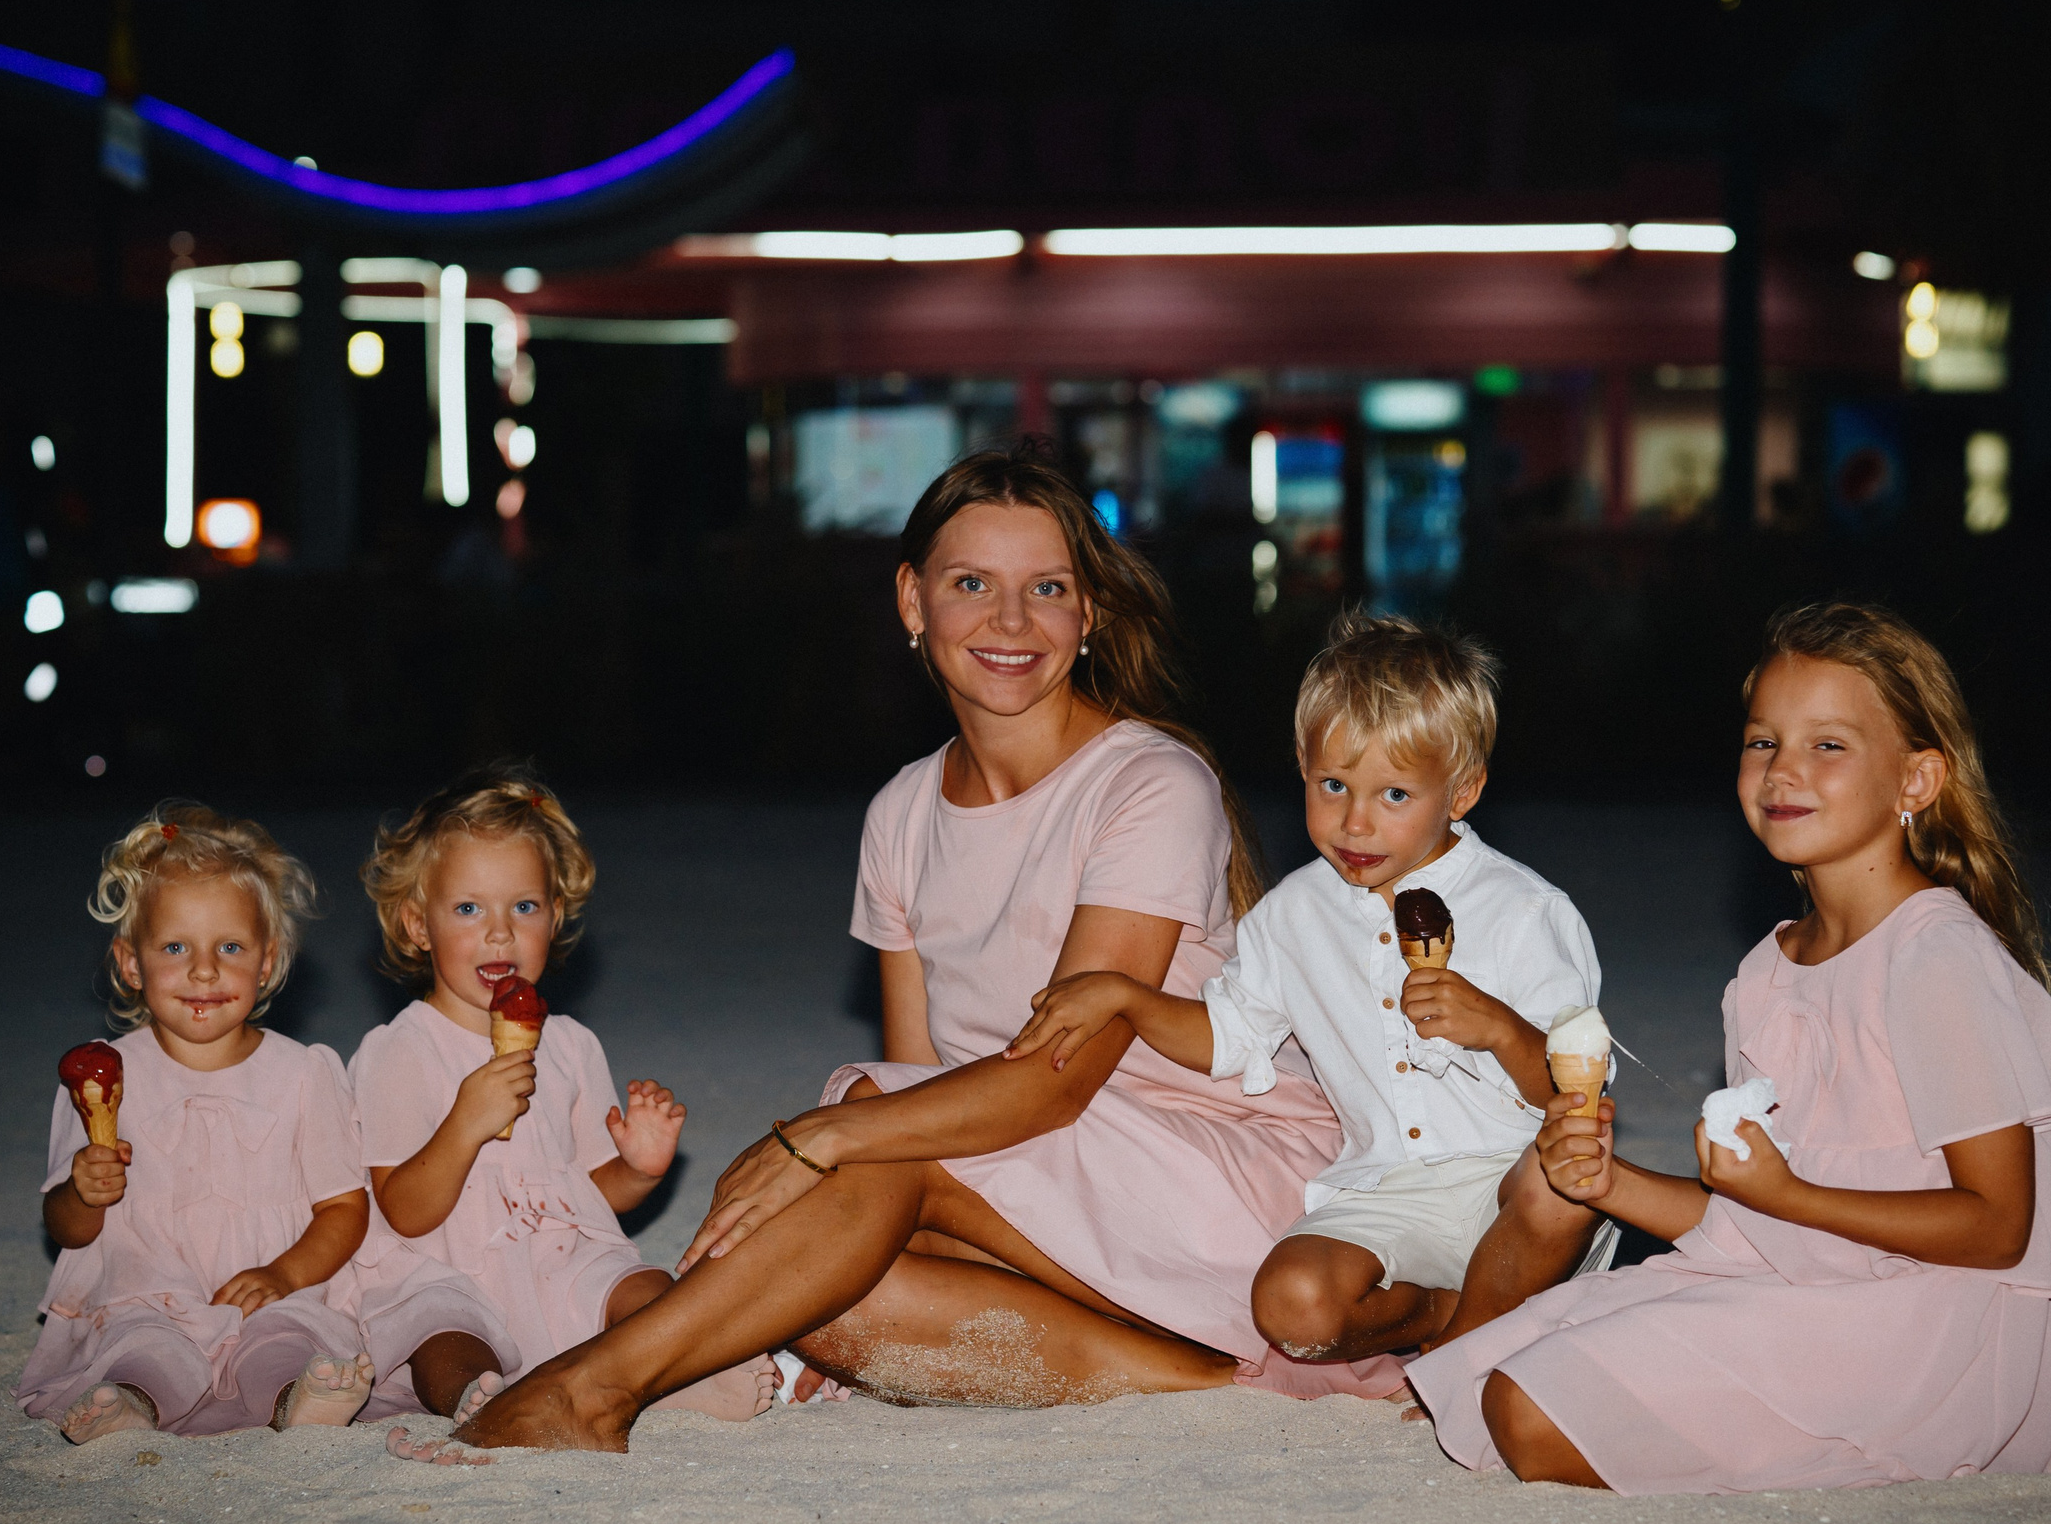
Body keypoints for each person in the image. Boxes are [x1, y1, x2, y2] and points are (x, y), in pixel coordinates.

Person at [412, 443, 1405, 1459]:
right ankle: (1215, 1375)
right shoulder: (899, 812)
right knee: (814, 1291)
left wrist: (822, 1139)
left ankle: (588, 1394)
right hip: (1040, 1186)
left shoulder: (1151, 785)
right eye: (971, 583)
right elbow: (925, 1075)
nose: (1010, 622)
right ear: (912, 601)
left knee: (849, 1146)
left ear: (1087, 614)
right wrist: (840, 1165)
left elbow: (1047, 1088)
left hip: (1225, 1185)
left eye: (1047, 589)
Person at [1403, 600, 2051, 1492]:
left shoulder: (1936, 956)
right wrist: (1608, 1183)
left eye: (1829, 745)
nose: (1784, 771)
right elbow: (1749, 1222)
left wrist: (1792, 1192)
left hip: (1933, 1325)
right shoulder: (1767, 972)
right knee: (1500, 1372)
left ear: (1917, 780)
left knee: (1529, 1412)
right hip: (1815, 1285)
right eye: (1762, 741)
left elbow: (2001, 1227)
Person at [1006, 613, 1614, 1365]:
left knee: (1558, 1183)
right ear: (1301, 764)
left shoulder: (1525, 911)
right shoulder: (1293, 914)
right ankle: (1451, 1312)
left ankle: (1471, 1344)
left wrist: (1497, 1027)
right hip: (1388, 1185)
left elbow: (1576, 1090)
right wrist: (1129, 997)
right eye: (1333, 785)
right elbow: (1229, 1034)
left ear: (1462, 791)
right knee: (1290, 1307)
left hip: (1516, 1179)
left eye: (1394, 795)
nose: (1355, 822)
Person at [18, 805, 491, 1442]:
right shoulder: (105, 1077)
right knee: (147, 1346)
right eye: (175, 947)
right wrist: (82, 1191)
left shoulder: (303, 1074)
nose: (204, 970)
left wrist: (286, 1275)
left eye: (231, 947)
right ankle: (130, 1403)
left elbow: (344, 1209)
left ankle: (298, 1398)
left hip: (279, 1278)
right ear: (130, 962)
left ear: (266, 963)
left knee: (291, 1338)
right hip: (152, 1286)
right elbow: (67, 1230)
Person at [351, 767, 780, 1429]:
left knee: (644, 1286)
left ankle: (679, 1370)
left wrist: (637, 1167)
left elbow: (586, 1191)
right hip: (444, 1264)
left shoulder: (571, 1045)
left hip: (556, 1253)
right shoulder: (398, 1050)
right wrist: (464, 1125)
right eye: (469, 908)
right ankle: (480, 1398)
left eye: (524, 906)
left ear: (555, 916)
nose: (500, 932)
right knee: (438, 1334)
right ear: (418, 924)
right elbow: (404, 1210)